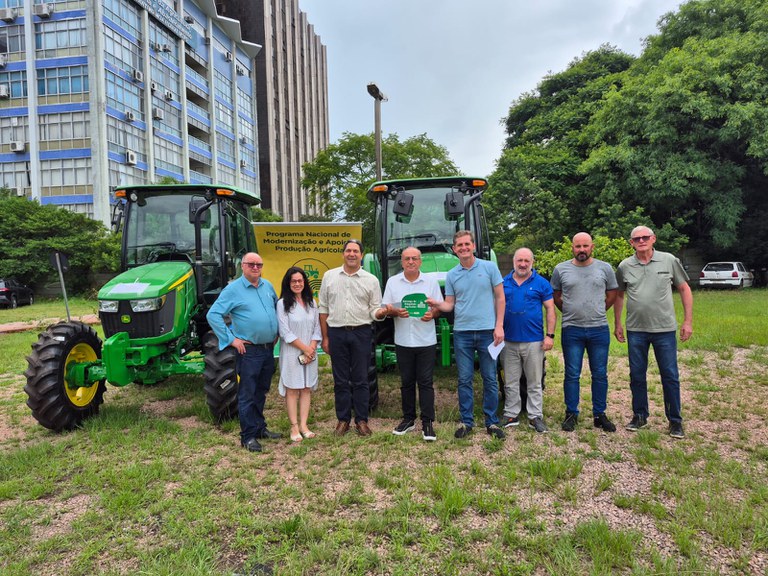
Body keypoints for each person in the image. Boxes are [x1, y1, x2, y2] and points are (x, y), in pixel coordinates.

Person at [614, 226, 693, 439]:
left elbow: (684, 288)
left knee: (670, 375)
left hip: (664, 329)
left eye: (645, 237)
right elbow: (619, 295)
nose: (641, 241)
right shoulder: (625, 266)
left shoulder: (669, 260)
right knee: (637, 375)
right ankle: (640, 415)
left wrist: (687, 321)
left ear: (653, 239)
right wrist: (618, 324)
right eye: (636, 239)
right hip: (636, 330)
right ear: (631, 243)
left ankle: (675, 421)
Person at [427, 230, 506, 440]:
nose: (463, 248)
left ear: (473, 246)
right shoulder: (452, 274)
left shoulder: (489, 268)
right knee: (464, 379)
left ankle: (491, 422)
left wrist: (499, 325)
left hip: (487, 332)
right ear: (454, 249)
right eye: (459, 245)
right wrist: (436, 304)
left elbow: (500, 297)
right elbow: (449, 304)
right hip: (462, 332)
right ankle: (466, 422)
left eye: (466, 244)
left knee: (490, 378)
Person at [206, 252, 281, 452]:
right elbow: (213, 314)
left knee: (261, 391)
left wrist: (275, 332)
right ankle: (248, 436)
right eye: (251, 264)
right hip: (249, 351)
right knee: (248, 394)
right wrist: (231, 339)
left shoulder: (267, 286)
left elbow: (276, 309)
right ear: (243, 266)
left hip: (267, 349)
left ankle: (259, 428)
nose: (256, 268)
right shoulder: (233, 289)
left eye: (259, 264)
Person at [551, 232, 618, 433]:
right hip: (572, 329)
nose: (581, 250)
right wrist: (570, 311)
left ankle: (599, 414)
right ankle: (571, 413)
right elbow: (556, 296)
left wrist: (598, 310)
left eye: (585, 246)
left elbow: (612, 294)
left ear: (592, 247)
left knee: (600, 373)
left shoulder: (605, 268)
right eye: (578, 246)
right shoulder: (561, 269)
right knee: (572, 373)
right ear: (572, 247)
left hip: (599, 329)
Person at [377, 247, 443, 441]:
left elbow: (438, 307)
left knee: (425, 382)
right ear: (402, 261)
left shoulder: (430, 281)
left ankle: (427, 422)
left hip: (426, 340)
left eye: (414, 258)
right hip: (403, 340)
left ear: (420, 261)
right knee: (406, 382)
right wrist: (395, 312)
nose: (411, 262)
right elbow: (386, 308)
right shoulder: (393, 282)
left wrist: (433, 314)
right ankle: (408, 419)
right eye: (407, 259)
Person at [318, 239, 383, 437]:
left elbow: (375, 309)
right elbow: (323, 309)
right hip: (336, 332)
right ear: (343, 254)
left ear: (361, 255)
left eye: (356, 251)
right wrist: (325, 338)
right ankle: (343, 420)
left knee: (361, 379)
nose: (352, 254)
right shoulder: (329, 276)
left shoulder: (371, 280)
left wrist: (382, 313)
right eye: (348, 251)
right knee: (340, 380)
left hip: (361, 332)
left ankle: (361, 420)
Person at [500, 247, 556, 433]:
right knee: (510, 381)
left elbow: (550, 309)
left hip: (534, 341)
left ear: (532, 262)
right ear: (514, 262)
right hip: (508, 340)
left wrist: (550, 335)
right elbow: (496, 307)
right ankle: (511, 414)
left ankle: (535, 416)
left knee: (534, 381)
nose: (523, 264)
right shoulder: (503, 282)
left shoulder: (541, 283)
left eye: (526, 261)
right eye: (519, 260)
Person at [277, 267, 321, 443]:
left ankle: (304, 426)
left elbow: (317, 328)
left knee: (306, 388)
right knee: (292, 389)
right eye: (293, 281)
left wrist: (311, 347)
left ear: (305, 282)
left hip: (310, 352)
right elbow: (285, 332)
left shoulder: (312, 303)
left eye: (300, 280)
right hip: (292, 352)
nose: (297, 284)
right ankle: (294, 427)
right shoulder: (282, 304)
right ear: (288, 283)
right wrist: (305, 349)